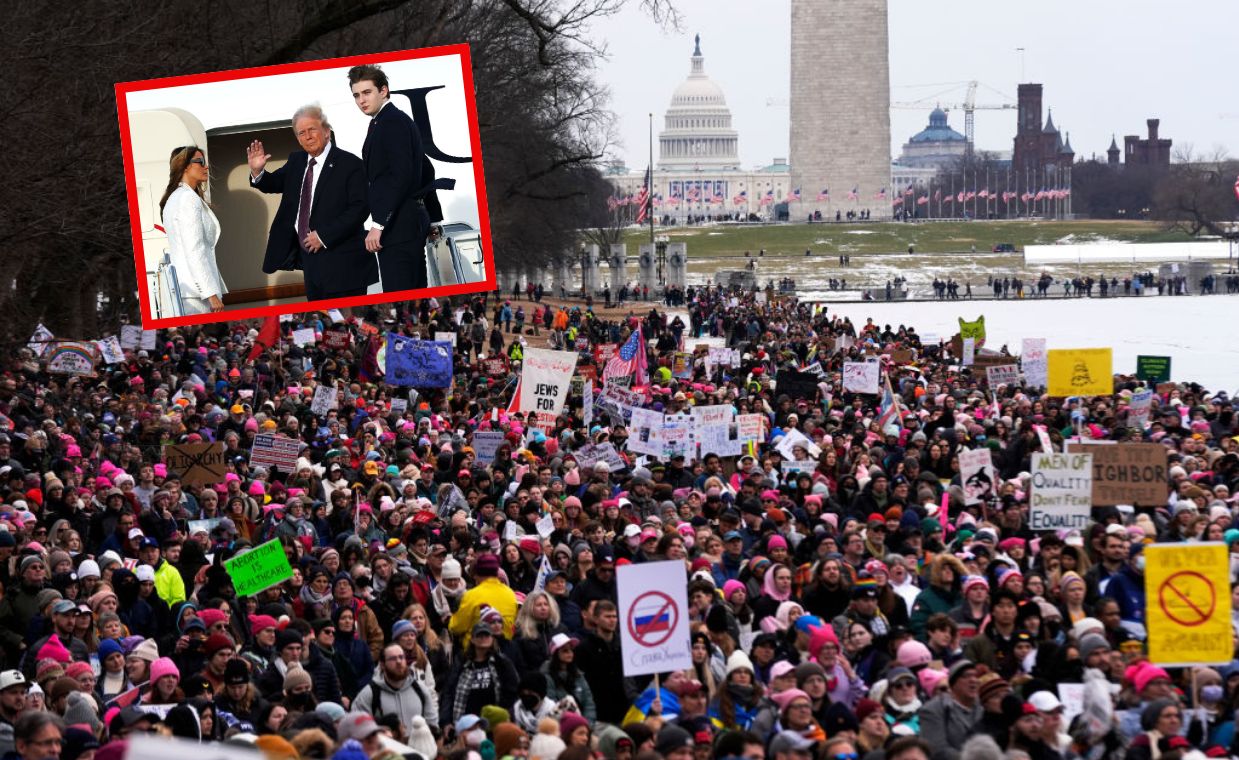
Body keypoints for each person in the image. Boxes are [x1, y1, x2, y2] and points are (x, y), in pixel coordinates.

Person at [247, 104, 378, 302]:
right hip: (311, 264)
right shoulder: (297, 161)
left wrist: (324, 236)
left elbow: (360, 209)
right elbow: (272, 183)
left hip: (345, 265)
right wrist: (257, 172)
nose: (307, 136)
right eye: (301, 133)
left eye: (312, 130)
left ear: (326, 131)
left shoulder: (350, 163)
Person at [349, 63, 448, 293]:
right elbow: (426, 168)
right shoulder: (385, 121)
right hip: (408, 223)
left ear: (383, 91)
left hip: (399, 226)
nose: (361, 100)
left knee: (399, 294)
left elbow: (399, 177)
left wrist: (378, 224)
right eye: (356, 95)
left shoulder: (391, 122)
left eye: (367, 92)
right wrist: (433, 217)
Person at [159, 146, 228, 314]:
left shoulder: (175, 197)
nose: (206, 167)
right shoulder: (188, 199)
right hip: (197, 296)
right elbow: (194, 249)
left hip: (187, 292)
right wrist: (210, 293)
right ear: (184, 166)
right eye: (200, 162)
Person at [353, 643, 437, 733]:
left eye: (401, 657)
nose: (399, 661)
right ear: (382, 665)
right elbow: (359, 730)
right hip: (385, 746)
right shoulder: (369, 694)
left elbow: (433, 727)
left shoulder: (421, 690)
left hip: (417, 746)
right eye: (392, 659)